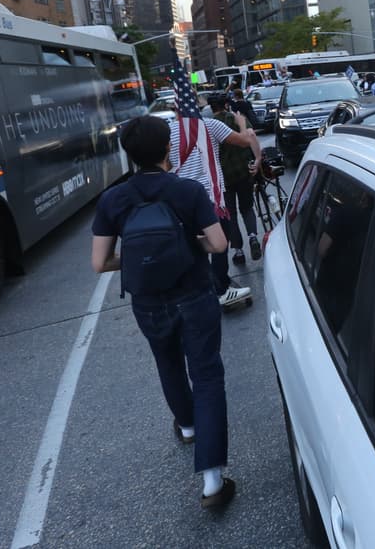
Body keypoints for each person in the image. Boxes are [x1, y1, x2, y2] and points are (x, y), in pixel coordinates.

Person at [90, 116, 236, 509]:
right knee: (206, 374)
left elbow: (100, 263)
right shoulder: (188, 190)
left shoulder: (113, 199)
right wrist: (187, 247)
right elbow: (220, 245)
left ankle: (187, 426)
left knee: (167, 363)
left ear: (129, 154)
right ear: (167, 149)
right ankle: (211, 480)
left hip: (148, 300)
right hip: (193, 293)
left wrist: (139, 257)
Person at [171, 79, 262, 308]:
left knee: (192, 245)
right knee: (219, 245)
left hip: (181, 203)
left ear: (174, 107)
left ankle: (198, 287)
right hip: (211, 199)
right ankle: (221, 288)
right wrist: (241, 123)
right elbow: (244, 141)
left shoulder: (167, 132)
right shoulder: (210, 125)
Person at [210, 96, 262, 265]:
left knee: (230, 213)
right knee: (247, 207)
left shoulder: (210, 125)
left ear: (212, 108)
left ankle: (238, 250)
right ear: (226, 105)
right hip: (243, 171)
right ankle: (253, 237)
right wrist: (258, 160)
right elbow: (251, 135)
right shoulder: (236, 119)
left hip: (223, 177)